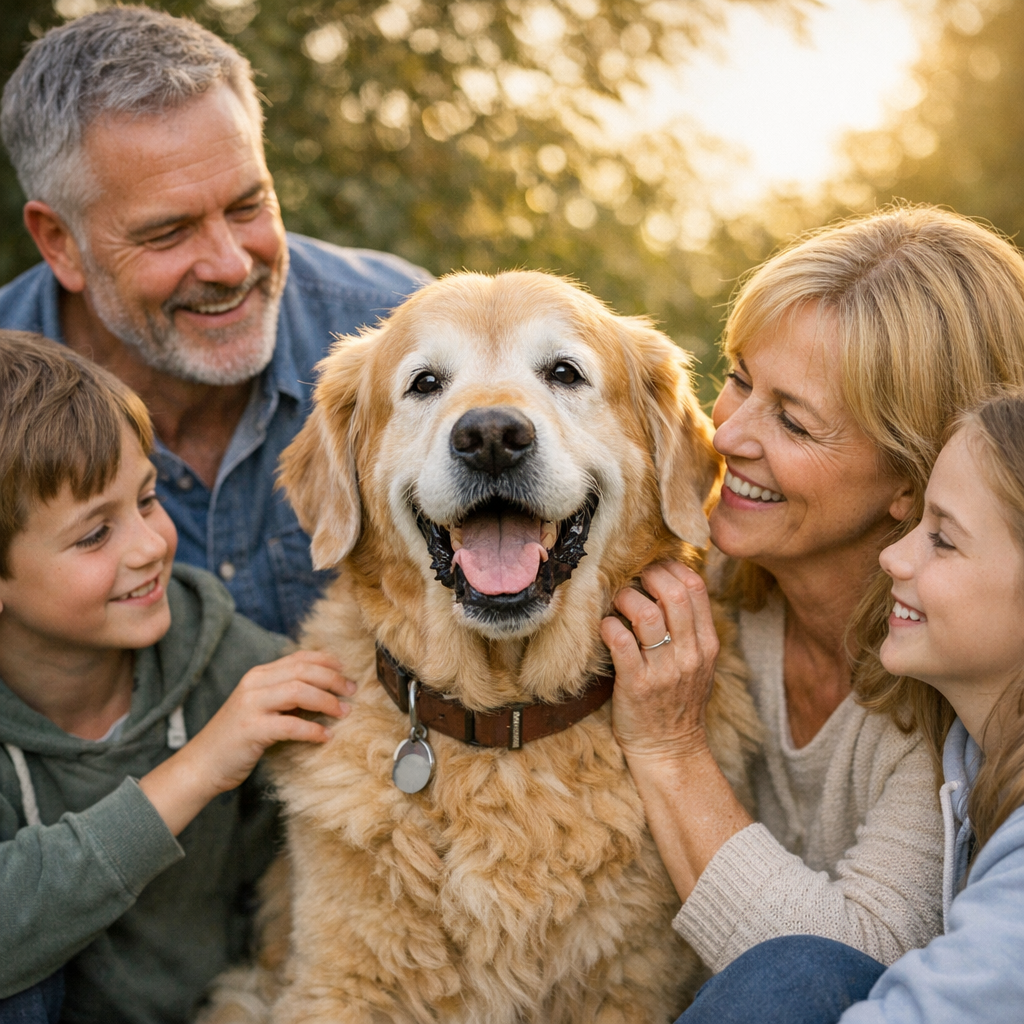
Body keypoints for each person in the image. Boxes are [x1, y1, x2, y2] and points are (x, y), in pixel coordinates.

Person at [601, 205, 1024, 977]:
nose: (727, 436)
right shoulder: (684, 576)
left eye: (792, 422)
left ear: (911, 476)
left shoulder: (949, 682)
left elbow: (840, 972)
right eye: (737, 380)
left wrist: (671, 749)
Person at [0, 6, 431, 638]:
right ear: (59, 241)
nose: (231, 265)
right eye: (168, 232)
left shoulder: (404, 339)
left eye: (249, 204)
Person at [0, 331, 354, 1024]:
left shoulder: (236, 667)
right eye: (94, 534)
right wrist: (199, 768)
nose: (150, 545)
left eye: (148, 499)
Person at [676, 389, 1024, 1024]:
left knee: (797, 975)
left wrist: (666, 747)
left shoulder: (937, 731)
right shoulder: (973, 749)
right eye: (738, 377)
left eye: (941, 539)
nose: (894, 557)